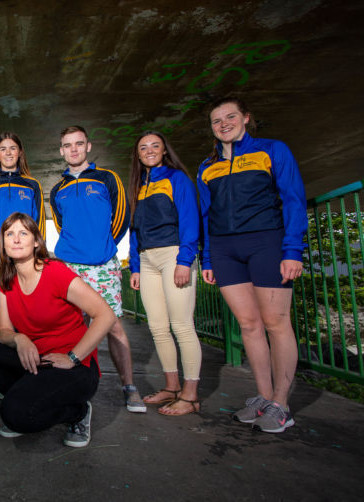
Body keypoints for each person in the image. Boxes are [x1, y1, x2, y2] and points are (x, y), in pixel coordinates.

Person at [198, 96, 307, 433]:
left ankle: (281, 403)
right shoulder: (207, 166)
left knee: (276, 323)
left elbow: (293, 199)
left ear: (246, 118)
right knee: (248, 325)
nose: (223, 124)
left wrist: (292, 249)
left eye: (230, 117)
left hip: (267, 243)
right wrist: (209, 256)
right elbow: (206, 215)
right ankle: (262, 398)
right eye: (217, 121)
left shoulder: (272, 150)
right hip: (226, 249)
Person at [0, 212, 116, 447]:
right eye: (9, 234)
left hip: (74, 366)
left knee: (14, 414)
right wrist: (20, 338)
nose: (16, 239)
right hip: (38, 360)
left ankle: (77, 412)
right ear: (3, 243)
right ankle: (30, 396)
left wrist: (73, 357)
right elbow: (4, 330)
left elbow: (105, 315)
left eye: (23, 233)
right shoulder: (5, 281)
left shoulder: (54, 271)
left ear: (36, 241)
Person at [50, 125, 146, 413]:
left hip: (102, 264)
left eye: (79, 143)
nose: (74, 149)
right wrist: (75, 250)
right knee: (68, 326)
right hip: (68, 265)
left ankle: (129, 387)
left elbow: (121, 218)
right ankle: (68, 385)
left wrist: (101, 247)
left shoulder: (108, 178)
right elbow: (59, 225)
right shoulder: (58, 189)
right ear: (61, 150)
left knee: (113, 326)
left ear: (88, 146)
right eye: (68, 145)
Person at [127, 131, 202, 416]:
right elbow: (134, 230)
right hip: (147, 261)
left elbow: (189, 220)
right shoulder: (138, 185)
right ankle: (172, 387)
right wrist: (135, 266)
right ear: (138, 154)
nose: (149, 150)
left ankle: (191, 395)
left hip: (173, 255)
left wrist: (185, 260)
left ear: (164, 150)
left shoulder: (176, 179)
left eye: (154, 146)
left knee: (181, 325)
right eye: (143, 147)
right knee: (157, 327)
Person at [0, 132, 45, 341]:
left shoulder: (33, 185)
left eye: (12, 148)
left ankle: (27, 367)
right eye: (3, 148)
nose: (8, 152)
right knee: (1, 317)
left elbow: (39, 227)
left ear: (20, 152)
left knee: (26, 315)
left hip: (26, 258)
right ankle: (3, 371)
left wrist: (40, 257)